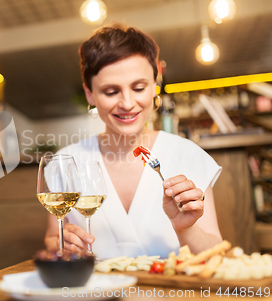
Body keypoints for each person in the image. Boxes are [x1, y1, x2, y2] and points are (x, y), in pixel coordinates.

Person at [44, 24, 223, 259]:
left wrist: (186, 228)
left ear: (155, 86)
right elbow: (51, 238)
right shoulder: (66, 162)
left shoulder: (188, 156)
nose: (127, 103)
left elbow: (218, 255)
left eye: (138, 87)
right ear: (90, 94)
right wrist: (61, 242)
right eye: (110, 92)